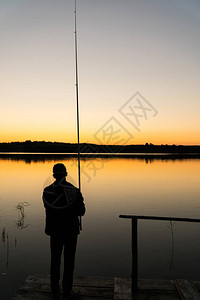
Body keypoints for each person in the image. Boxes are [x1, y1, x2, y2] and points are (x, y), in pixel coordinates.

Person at [42, 163, 85, 299]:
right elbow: (81, 212)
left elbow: (49, 208)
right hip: (71, 232)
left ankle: (55, 290)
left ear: (54, 175)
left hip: (55, 231)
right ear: (66, 174)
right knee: (69, 262)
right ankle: (67, 291)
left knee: (55, 260)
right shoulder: (75, 191)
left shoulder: (46, 191)